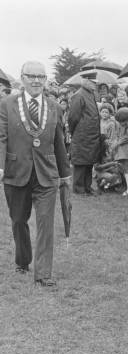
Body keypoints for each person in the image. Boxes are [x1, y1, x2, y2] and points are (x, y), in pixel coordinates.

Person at [0, 61, 71, 285]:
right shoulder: (6, 104)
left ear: (45, 80)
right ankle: (23, 260)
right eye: (31, 76)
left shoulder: (54, 106)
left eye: (40, 76)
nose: (36, 80)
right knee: (19, 220)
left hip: (46, 174)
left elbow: (59, 141)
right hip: (16, 171)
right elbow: (1, 137)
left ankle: (43, 274)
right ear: (22, 78)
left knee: (45, 223)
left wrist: (65, 172)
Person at [68, 72, 102, 195]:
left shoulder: (90, 94)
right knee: (81, 163)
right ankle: (79, 188)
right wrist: (75, 132)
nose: (95, 85)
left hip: (91, 135)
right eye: (93, 83)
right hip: (82, 135)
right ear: (86, 81)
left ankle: (87, 187)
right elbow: (73, 117)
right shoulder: (79, 95)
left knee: (89, 162)